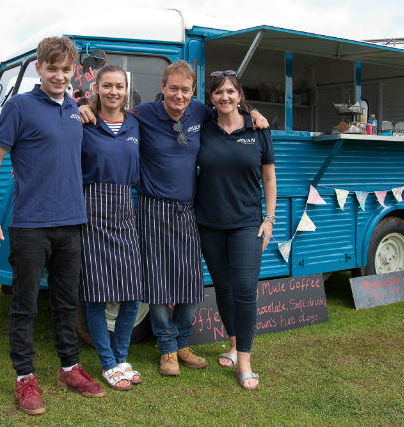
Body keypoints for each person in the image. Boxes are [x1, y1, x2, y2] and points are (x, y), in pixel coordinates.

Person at [79, 60, 268, 377]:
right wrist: (85, 105)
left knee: (191, 286)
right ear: (162, 88)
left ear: (193, 92)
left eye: (185, 89)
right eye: (173, 88)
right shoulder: (142, 115)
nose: (179, 95)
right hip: (153, 208)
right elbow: (110, 112)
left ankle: (182, 343)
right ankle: (167, 349)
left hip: (189, 209)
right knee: (157, 286)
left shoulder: (200, 113)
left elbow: (230, 111)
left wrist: (253, 115)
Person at [0, 36, 105, 416]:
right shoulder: (19, 107)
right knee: (25, 305)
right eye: (52, 68)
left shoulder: (73, 107)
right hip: (30, 224)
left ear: (73, 72)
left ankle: (69, 368)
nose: (59, 75)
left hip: (71, 224)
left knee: (66, 303)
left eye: (66, 70)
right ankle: (24, 378)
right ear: (39, 68)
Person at [194, 70, 276, 390]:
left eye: (230, 91)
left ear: (239, 95)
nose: (224, 97)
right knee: (224, 288)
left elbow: (269, 179)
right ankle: (231, 343)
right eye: (218, 92)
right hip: (209, 223)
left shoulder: (258, 129)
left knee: (244, 289)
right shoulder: (203, 128)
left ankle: (244, 362)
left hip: (246, 223)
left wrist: (269, 219)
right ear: (211, 98)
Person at [80, 64, 142, 391]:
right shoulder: (84, 121)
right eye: (107, 86)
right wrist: (77, 108)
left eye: (119, 86)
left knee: (132, 294)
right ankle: (107, 363)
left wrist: (251, 111)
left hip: (124, 208)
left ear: (126, 90)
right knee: (96, 295)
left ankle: (121, 355)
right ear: (97, 88)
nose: (113, 92)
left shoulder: (135, 122)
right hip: (92, 211)